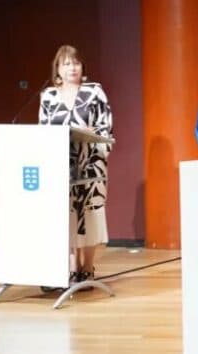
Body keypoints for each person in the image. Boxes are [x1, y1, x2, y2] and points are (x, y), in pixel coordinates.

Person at [39, 45, 113, 285]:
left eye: (76, 63)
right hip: (61, 166)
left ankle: (87, 266)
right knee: (67, 214)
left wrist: (93, 136)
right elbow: (43, 131)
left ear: (83, 68)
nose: (72, 67)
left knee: (89, 214)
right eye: (66, 63)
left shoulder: (95, 91)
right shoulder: (48, 96)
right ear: (57, 70)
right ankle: (72, 266)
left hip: (91, 164)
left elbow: (106, 126)